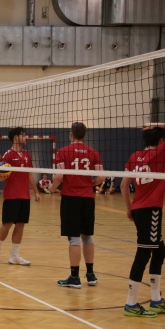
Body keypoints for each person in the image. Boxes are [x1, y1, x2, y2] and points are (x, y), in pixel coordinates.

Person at [119, 123, 165, 317]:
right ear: (161, 140)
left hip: (138, 209)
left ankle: (156, 300)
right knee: (143, 254)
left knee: (160, 251)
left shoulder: (135, 157)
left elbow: (123, 185)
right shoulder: (161, 151)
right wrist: (160, 124)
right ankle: (131, 303)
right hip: (151, 211)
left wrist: (129, 208)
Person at [49, 122, 104, 289]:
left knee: (73, 238)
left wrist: (52, 188)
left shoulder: (63, 151)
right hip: (87, 198)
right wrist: (89, 184)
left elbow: (59, 176)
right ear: (84, 135)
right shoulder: (93, 152)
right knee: (87, 237)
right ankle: (91, 275)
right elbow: (101, 177)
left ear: (71, 134)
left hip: (71, 198)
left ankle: (74, 277)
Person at [0, 127, 41, 266]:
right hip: (11, 195)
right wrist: (0, 175)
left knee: (20, 224)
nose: (26, 137)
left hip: (25, 195)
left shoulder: (27, 154)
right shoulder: (8, 155)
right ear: (16, 138)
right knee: (7, 224)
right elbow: (1, 178)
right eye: (23, 135)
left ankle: (14, 255)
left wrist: (36, 191)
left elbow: (29, 174)